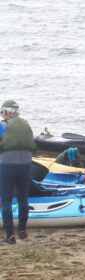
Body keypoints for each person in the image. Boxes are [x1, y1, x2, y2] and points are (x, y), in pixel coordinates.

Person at [0, 100, 36, 244]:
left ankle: (10, 234)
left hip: (7, 165)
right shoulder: (25, 124)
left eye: (2, 112)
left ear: (6, 112)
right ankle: (22, 230)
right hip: (26, 165)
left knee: (6, 199)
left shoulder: (2, 125)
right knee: (23, 197)